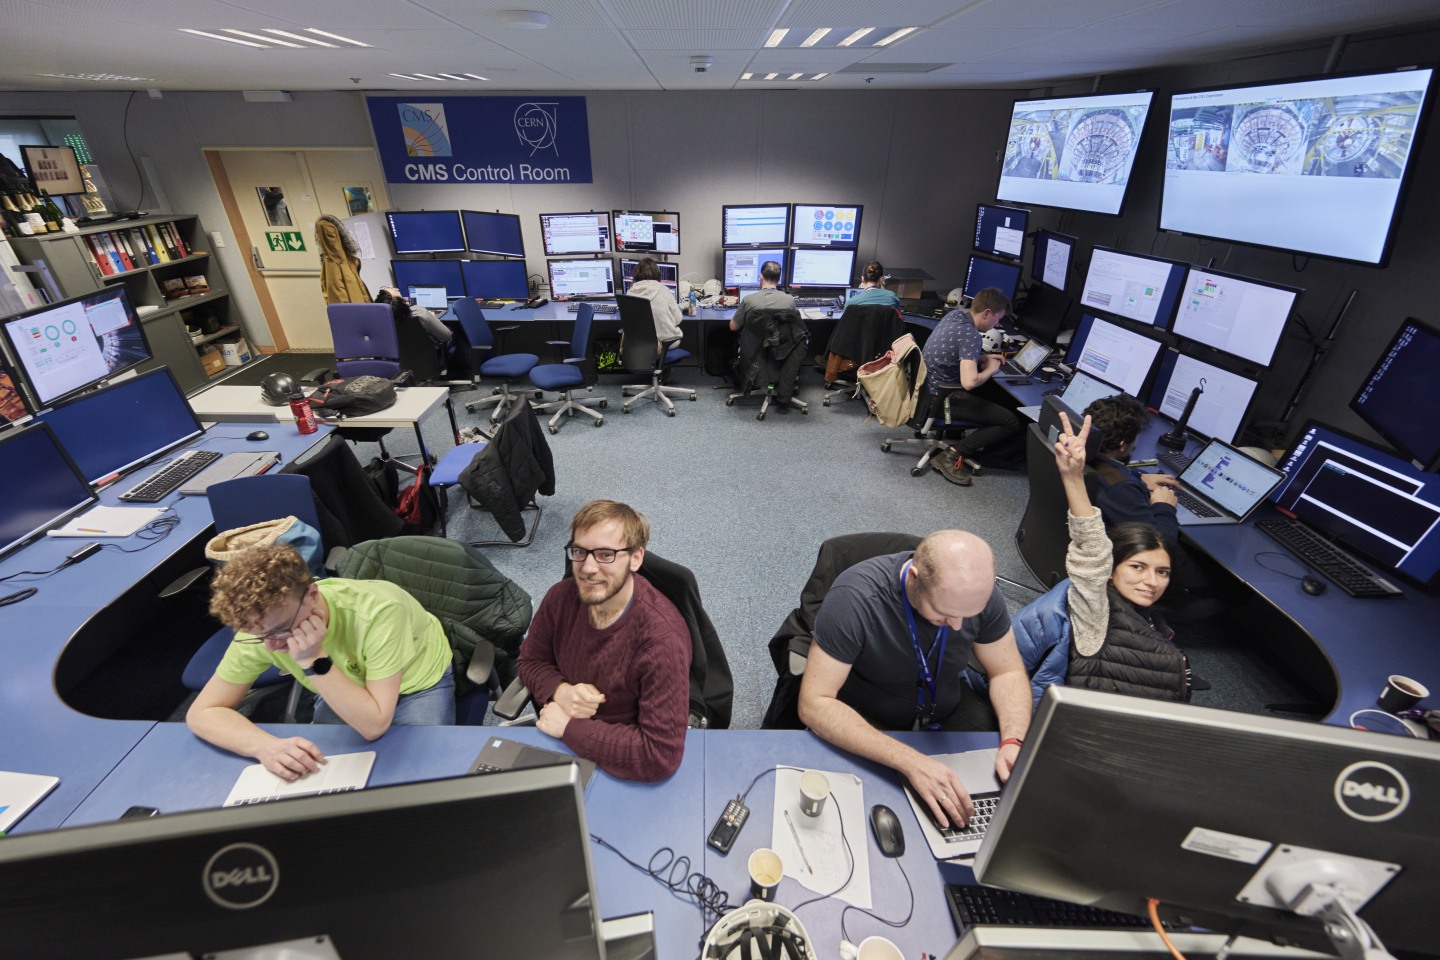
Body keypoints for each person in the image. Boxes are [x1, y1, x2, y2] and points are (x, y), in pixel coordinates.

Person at [797, 530, 1032, 829]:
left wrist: (1014, 739)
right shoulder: (855, 598)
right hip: (867, 719)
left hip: (943, 712)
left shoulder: (977, 597)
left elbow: (1007, 670)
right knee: (857, 823)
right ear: (914, 579)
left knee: (997, 810)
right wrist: (911, 761)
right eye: (945, 613)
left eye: (968, 614)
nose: (958, 625)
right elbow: (815, 703)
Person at [188, 543, 457, 780]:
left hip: (417, 681)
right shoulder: (261, 630)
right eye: (259, 636)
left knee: (423, 776)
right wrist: (264, 746)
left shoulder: (379, 611)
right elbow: (202, 713)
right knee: (329, 775)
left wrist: (313, 659)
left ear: (313, 596)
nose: (272, 647)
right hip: (341, 680)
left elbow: (373, 725)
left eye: (282, 629)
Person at [1009, 411, 1193, 703]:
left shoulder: (1132, 609)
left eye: (1163, 572)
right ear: (1109, 570)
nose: (1151, 581)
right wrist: (1072, 476)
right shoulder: (1094, 609)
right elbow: (1091, 541)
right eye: (1137, 566)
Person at [517, 500, 691, 782]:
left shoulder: (662, 640)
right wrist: (560, 691)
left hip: (622, 757)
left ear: (635, 558)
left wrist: (569, 728)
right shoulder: (560, 598)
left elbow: (659, 755)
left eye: (605, 555)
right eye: (580, 552)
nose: (588, 568)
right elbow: (531, 660)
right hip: (560, 737)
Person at [919, 287, 1022, 485]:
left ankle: (956, 436)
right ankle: (951, 454)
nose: (997, 324)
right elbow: (969, 383)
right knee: (1011, 422)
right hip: (940, 401)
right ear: (986, 313)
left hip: (926, 392)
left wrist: (981, 357)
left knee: (992, 395)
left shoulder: (955, 316)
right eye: (997, 319)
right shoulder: (971, 336)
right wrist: (990, 369)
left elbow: (953, 349)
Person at [1081, 394, 1178, 543]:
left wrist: (1136, 477)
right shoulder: (1120, 487)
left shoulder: (1077, 457)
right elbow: (1157, 543)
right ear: (1122, 444)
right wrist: (1164, 506)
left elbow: (1111, 472)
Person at [627, 257, 684, 352]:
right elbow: (678, 320)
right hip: (666, 343)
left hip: (640, 344)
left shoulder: (630, 292)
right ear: (657, 274)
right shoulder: (664, 290)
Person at [729, 260, 793, 332]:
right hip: (779, 342)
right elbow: (793, 325)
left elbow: (733, 327)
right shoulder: (790, 300)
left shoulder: (748, 300)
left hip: (753, 343)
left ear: (761, 277)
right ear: (779, 280)